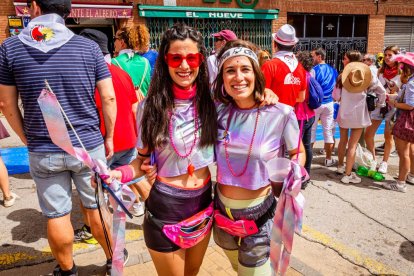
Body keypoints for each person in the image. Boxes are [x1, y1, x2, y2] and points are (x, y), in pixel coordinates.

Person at [0, 1, 117, 275]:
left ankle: (67, 270)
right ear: (68, 12)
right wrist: (109, 136)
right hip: (88, 146)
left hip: (43, 147)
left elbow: (6, 104)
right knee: (97, 207)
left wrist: (27, 138)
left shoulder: (10, 48)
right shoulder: (88, 48)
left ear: (34, 7)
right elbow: (109, 97)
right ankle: (114, 260)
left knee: (57, 214)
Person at [213, 40, 305, 275]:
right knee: (237, 267)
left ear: (256, 73)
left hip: (259, 215)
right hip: (221, 214)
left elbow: (298, 152)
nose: (238, 77)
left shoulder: (281, 113)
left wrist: (293, 175)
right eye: (230, 71)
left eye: (245, 69)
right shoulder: (217, 112)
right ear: (222, 78)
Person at [333, 51, 385, 184]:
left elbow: (335, 97)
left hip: (344, 113)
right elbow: (382, 92)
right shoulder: (367, 76)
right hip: (359, 115)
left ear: (350, 61)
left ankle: (340, 166)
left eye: (345, 59)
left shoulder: (341, 77)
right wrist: (380, 103)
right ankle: (348, 174)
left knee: (343, 141)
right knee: (353, 145)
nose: (343, 60)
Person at [365, 45, 401, 175]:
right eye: (385, 55)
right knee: (368, 134)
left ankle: (384, 162)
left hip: (393, 108)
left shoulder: (402, 73)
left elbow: (402, 92)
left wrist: (395, 94)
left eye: (390, 55)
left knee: (388, 135)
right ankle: (373, 160)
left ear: (396, 56)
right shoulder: (380, 71)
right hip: (379, 106)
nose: (386, 57)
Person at [385, 52, 414, 192]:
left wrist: (395, 103)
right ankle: (410, 175)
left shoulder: (411, 83)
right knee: (410, 150)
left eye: (402, 67)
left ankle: (400, 183)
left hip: (407, 119)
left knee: (404, 153)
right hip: (409, 118)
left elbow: (410, 105)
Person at [262, 24, 307, 108]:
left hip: (271, 116)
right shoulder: (301, 68)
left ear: (275, 44)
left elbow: (260, 95)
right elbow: (301, 98)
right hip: (290, 115)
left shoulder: (269, 66)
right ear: (293, 45)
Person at [310, 48, 339, 167]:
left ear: (319, 57)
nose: (312, 59)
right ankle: (328, 158)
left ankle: (309, 156)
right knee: (328, 131)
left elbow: (310, 88)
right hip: (329, 103)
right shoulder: (333, 70)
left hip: (316, 103)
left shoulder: (313, 70)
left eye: (313, 56)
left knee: (311, 130)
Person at [295, 51, 316, 189]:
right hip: (310, 115)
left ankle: (300, 177)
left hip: (300, 116)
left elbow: (299, 98)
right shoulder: (310, 75)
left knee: (297, 149)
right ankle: (306, 175)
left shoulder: (300, 76)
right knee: (307, 146)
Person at [112, 26, 151, 101]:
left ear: (122, 42)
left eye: (115, 39)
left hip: (126, 109)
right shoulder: (146, 62)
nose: (114, 42)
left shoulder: (114, 62)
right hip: (143, 108)